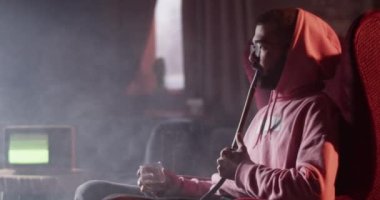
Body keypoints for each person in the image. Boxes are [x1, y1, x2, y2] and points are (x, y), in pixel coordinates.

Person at [74, 7, 342, 200]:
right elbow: (230, 186)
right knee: (92, 191)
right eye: (252, 47)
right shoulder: (265, 113)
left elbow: (314, 190)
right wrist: (176, 184)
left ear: (294, 51)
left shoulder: (315, 109)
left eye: (261, 47)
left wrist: (243, 170)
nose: (252, 57)